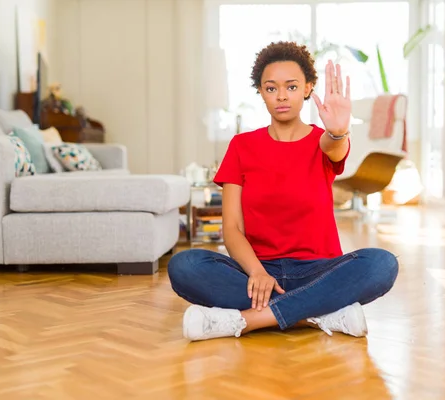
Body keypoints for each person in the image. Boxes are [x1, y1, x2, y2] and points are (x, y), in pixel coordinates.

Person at [168, 41, 399, 341]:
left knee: (382, 264)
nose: (281, 96)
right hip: (256, 273)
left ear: (307, 88)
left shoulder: (323, 141)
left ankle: (245, 321)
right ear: (261, 93)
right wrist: (257, 272)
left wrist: (338, 130)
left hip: (319, 272)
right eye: (271, 88)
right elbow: (232, 228)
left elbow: (334, 146)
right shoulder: (241, 146)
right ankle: (320, 314)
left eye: (291, 87)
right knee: (184, 265)